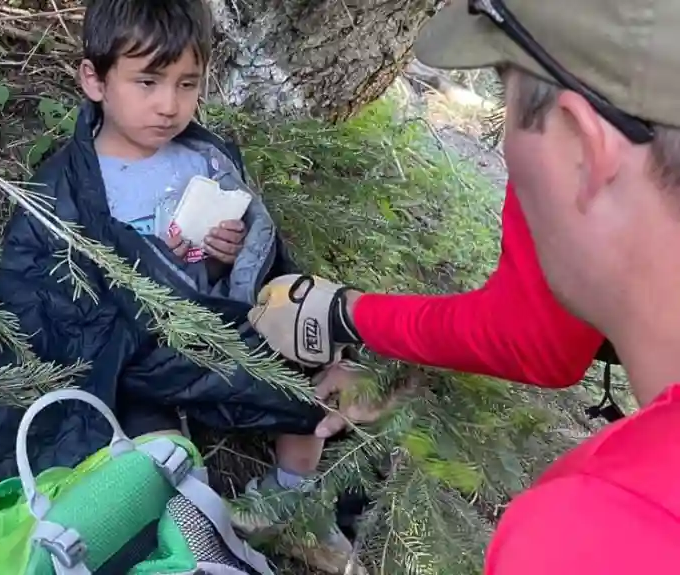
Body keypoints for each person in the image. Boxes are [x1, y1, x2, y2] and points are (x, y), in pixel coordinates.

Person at [257, 0, 680, 571]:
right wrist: (360, 326)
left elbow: (537, 335)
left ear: (584, 150)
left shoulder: (597, 533)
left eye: (505, 93)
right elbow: (543, 334)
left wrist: (346, 313)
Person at [0, 0, 361, 494]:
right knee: (153, 447)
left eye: (187, 84)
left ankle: (290, 497)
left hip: (217, 324)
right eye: (148, 82)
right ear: (95, 80)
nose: (169, 105)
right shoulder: (73, 186)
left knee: (307, 370)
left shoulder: (202, 160)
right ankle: (194, 516)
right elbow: (38, 292)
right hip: (139, 347)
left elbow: (257, 264)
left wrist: (229, 254)